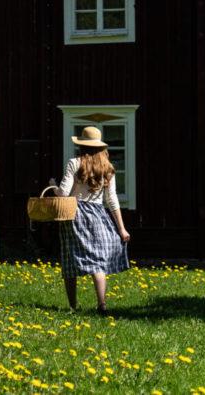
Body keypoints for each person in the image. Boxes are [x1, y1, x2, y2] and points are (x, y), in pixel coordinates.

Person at [51, 126, 131, 315]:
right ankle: (102, 305)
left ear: (81, 145)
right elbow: (112, 200)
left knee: (70, 259)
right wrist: (122, 228)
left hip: (74, 215)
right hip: (97, 215)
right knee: (98, 261)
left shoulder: (74, 163)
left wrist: (52, 185)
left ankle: (72, 306)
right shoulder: (107, 167)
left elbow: (63, 193)